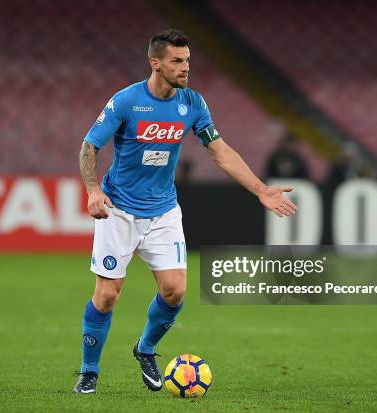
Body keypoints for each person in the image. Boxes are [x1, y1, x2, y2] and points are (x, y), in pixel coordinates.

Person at [74, 29, 297, 394]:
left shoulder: (192, 104)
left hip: (163, 212)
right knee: (107, 295)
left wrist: (260, 189)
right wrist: (93, 190)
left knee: (175, 292)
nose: (185, 68)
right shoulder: (126, 102)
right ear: (155, 63)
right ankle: (88, 371)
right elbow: (89, 146)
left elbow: (220, 150)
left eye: (188, 61)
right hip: (119, 210)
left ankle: (145, 350)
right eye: (177, 61)